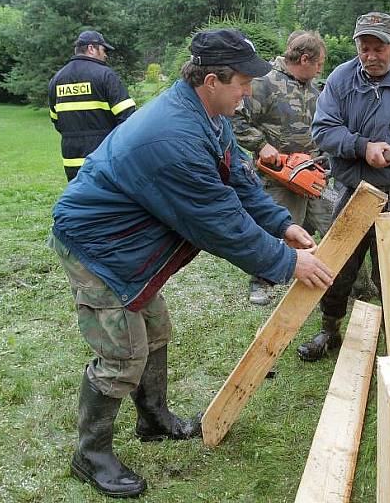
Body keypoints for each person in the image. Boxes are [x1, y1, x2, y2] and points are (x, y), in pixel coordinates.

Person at [49, 29, 334, 497]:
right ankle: (91, 454)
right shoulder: (173, 137)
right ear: (211, 79)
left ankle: (154, 419)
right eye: (242, 82)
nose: (248, 92)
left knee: (155, 330)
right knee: (122, 354)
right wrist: (287, 262)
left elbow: (239, 179)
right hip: (96, 246)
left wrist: (282, 225)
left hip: (127, 242)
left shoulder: (210, 113)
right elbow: (220, 223)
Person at [296, 12, 390, 361]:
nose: (371, 56)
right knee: (337, 264)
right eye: (364, 48)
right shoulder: (341, 79)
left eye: (379, 48)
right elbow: (323, 130)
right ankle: (329, 329)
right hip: (353, 191)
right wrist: (363, 147)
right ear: (357, 46)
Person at [231, 31, 334, 305]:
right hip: (279, 177)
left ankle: (349, 281)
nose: (321, 68)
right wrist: (260, 144)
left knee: (332, 223)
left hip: (312, 174)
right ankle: (261, 282)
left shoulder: (313, 88)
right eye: (319, 63)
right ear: (304, 59)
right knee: (277, 229)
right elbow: (235, 118)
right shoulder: (265, 83)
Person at [49, 30, 136, 181]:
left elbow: (56, 120)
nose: (106, 55)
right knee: (105, 200)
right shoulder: (105, 75)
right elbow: (128, 118)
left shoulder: (57, 79)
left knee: (79, 199)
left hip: (71, 158)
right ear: (91, 48)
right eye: (103, 50)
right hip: (102, 155)